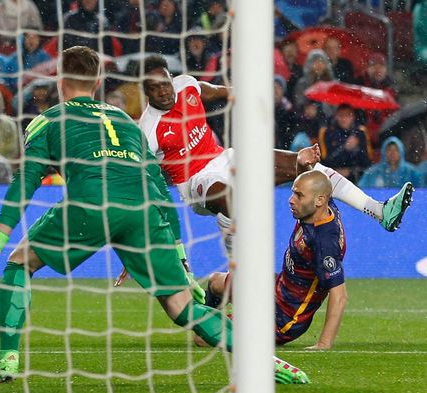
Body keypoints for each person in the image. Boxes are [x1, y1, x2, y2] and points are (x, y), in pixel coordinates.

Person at [0, 46, 309, 385]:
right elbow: (156, 184)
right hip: (142, 214)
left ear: (60, 79)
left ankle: (7, 357)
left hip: (90, 204)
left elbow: (26, 181)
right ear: (98, 82)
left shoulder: (48, 120)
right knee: (182, 306)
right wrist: (176, 254)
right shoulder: (124, 120)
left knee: (18, 263)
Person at [136, 55, 413, 260]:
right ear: (145, 91)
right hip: (196, 181)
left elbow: (221, 93)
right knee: (232, 199)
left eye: (165, 82)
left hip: (225, 158)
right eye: (154, 87)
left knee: (309, 167)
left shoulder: (187, 86)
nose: (163, 90)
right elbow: (143, 182)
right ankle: (238, 259)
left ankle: (380, 211)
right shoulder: (148, 131)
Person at [203, 171, 349, 349]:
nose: (291, 199)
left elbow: (339, 296)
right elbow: (319, 176)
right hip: (276, 287)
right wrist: (305, 161)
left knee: (202, 337)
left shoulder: (324, 242)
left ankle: (224, 322)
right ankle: (216, 317)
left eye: (299, 195)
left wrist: (323, 344)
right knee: (215, 282)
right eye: (293, 192)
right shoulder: (323, 205)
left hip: (282, 319)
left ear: (319, 200)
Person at [318, 104, 372, 183]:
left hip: (356, 178)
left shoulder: (361, 132)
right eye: (341, 115)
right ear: (336, 116)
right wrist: (345, 149)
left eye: (348, 115)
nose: (344, 119)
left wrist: (356, 149)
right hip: (332, 178)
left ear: (353, 117)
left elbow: (367, 161)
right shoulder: (327, 132)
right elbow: (325, 160)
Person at [358, 136, 423, 188]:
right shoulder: (372, 172)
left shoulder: (411, 172)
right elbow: (362, 189)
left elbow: (422, 191)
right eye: (389, 150)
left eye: (396, 150)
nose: (392, 153)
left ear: (401, 152)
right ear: (384, 152)